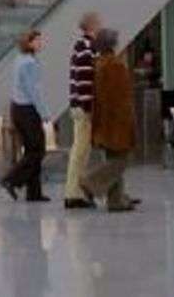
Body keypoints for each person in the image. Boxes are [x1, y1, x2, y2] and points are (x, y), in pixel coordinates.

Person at [81, 29, 138, 212]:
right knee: (121, 160)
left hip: (104, 121)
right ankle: (90, 183)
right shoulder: (114, 65)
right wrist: (128, 119)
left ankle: (116, 200)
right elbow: (118, 98)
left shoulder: (99, 63)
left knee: (114, 157)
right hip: (116, 121)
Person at [1, 30, 52, 202]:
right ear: (28, 43)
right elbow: (34, 91)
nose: (40, 43)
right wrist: (44, 113)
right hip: (28, 110)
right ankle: (11, 179)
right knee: (37, 150)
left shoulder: (19, 60)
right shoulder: (30, 63)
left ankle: (34, 192)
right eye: (37, 40)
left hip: (17, 108)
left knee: (31, 149)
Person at [62, 12, 102, 209]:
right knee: (80, 150)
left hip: (79, 104)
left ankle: (75, 190)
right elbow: (84, 79)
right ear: (92, 26)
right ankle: (73, 193)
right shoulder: (86, 48)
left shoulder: (83, 46)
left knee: (81, 150)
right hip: (83, 106)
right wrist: (89, 106)